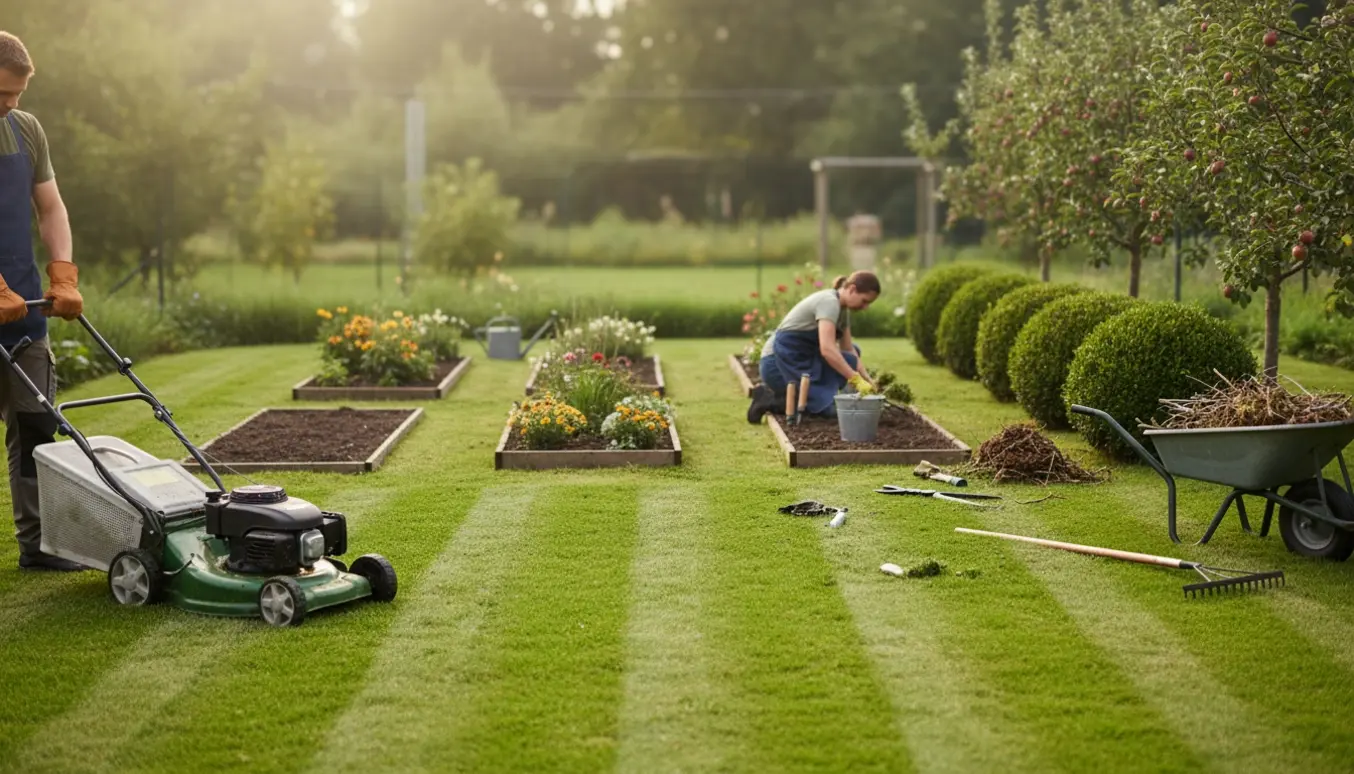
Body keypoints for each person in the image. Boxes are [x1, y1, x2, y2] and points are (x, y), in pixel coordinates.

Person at [0, 32, 86, 571]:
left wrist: (62, 275)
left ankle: (39, 545)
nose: (11, 105)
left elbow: (50, 208)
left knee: (36, 425)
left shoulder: (25, 130)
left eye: (17, 95)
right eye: (3, 94)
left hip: (24, 311)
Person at [747, 271, 880, 423]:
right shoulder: (829, 302)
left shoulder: (843, 311)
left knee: (851, 357)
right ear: (852, 289)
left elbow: (848, 349)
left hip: (801, 358)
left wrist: (867, 379)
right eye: (864, 301)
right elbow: (827, 349)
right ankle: (767, 399)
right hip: (776, 363)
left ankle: (818, 398)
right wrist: (855, 378)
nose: (865, 307)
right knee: (828, 410)